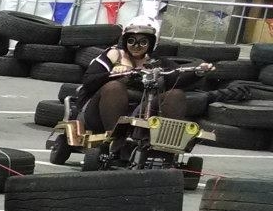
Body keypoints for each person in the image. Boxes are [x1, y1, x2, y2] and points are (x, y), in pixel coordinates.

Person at [74, 20, 211, 137]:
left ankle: (167, 143)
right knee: (114, 87)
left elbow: (175, 76)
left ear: (150, 44)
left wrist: (198, 72)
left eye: (143, 42)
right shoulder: (113, 55)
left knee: (175, 95)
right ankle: (115, 137)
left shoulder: (156, 62)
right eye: (132, 41)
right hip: (98, 112)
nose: (136, 46)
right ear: (125, 41)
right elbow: (88, 82)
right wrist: (112, 74)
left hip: (141, 110)